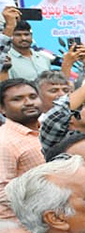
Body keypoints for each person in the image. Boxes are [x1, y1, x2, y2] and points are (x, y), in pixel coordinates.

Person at [0, 80, 45, 218]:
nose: (29, 102)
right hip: (29, 223)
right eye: (17, 99)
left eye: (33, 97)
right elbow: (2, 193)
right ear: (2, 108)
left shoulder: (48, 130)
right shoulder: (5, 141)